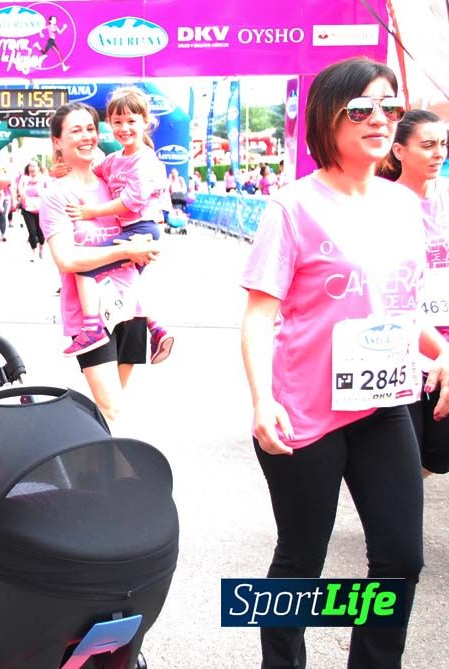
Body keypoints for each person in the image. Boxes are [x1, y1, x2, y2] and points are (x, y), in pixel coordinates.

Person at [240, 57, 444, 667]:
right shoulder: (292, 207)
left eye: (389, 106)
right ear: (328, 119)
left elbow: (402, 308)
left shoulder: (406, 206)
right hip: (304, 413)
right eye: (362, 109)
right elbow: (257, 315)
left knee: (401, 559)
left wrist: (444, 350)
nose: (380, 119)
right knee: (301, 560)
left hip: (386, 403)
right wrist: (262, 400)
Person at [39, 102, 160, 431]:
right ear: (57, 142)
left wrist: (145, 247)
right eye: (75, 130)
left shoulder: (114, 182)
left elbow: (147, 220)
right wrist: (126, 251)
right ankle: (122, 479)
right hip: (89, 318)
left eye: (90, 129)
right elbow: (67, 259)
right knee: (112, 409)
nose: (86, 137)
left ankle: (95, 471)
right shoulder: (57, 195)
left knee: (112, 409)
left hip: (129, 307)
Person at [63, 87, 175, 363]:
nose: (124, 128)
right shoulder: (115, 160)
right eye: (117, 122)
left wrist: (91, 212)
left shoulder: (145, 160)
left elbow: (131, 202)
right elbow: (92, 172)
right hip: (130, 231)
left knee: (84, 264)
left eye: (131, 121)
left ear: (145, 122)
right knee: (122, 282)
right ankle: (156, 328)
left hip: (141, 229)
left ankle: (92, 327)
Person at [377, 109, 449, 477]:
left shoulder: (446, 199)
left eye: (443, 144)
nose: (439, 153)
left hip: (445, 344)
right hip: (403, 343)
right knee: (408, 453)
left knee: (433, 457)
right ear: (400, 150)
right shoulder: (379, 203)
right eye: (428, 145)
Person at [18, 159, 48, 260]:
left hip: (41, 210)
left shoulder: (44, 179)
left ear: (38, 168)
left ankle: (41, 247)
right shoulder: (24, 179)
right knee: (32, 231)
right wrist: (21, 196)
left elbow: (49, 192)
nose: (32, 168)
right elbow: (20, 190)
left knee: (40, 232)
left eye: (34, 166)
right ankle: (33, 252)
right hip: (27, 209)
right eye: (30, 166)